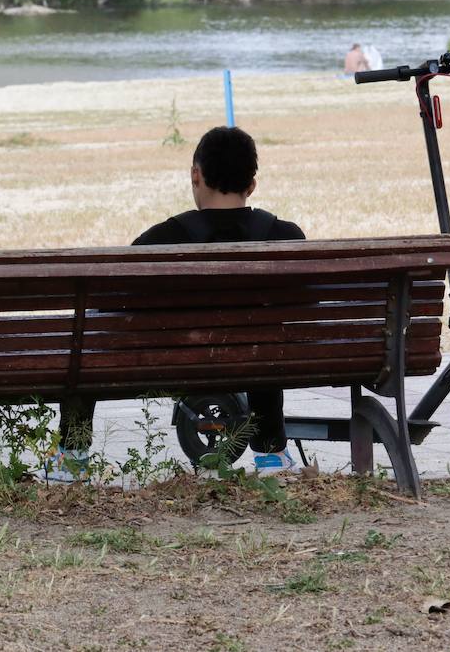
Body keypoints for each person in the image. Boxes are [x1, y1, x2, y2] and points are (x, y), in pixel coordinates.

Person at [55, 126, 305, 479]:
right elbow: (305, 304)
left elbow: (111, 307)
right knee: (261, 337)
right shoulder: (287, 238)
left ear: (195, 175)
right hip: (258, 362)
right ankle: (271, 454)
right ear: (251, 185)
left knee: (88, 334)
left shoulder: (159, 241)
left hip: (171, 365)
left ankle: (71, 459)